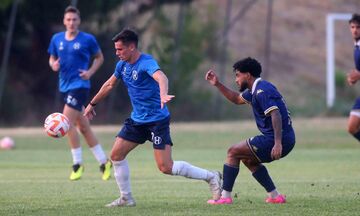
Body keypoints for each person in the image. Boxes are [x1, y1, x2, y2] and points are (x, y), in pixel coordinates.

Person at [83, 29, 221, 207]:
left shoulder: (146, 62)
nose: (117, 53)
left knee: (166, 167)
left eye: (120, 49)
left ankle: (211, 176)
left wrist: (163, 94)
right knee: (116, 155)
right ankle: (126, 198)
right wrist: (92, 104)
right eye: (116, 49)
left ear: (132, 47)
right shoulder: (122, 65)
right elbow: (109, 85)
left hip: (157, 121)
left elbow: (161, 77)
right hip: (137, 120)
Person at [205, 57, 295, 205]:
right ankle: (275, 196)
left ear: (248, 75)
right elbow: (236, 99)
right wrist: (217, 84)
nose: (236, 80)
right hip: (283, 138)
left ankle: (225, 197)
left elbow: (275, 114)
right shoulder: (256, 90)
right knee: (247, 158)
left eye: (238, 75)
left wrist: (277, 143)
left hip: (277, 139)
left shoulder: (261, 91)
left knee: (233, 151)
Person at [48, 6, 112, 181]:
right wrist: (53, 64)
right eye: (68, 19)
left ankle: (77, 164)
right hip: (64, 87)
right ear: (64, 21)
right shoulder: (57, 39)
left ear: (79, 21)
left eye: (74, 19)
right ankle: (104, 162)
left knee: (66, 123)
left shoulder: (87, 39)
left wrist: (90, 72)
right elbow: (52, 58)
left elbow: (99, 57)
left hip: (80, 86)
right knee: (83, 127)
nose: (71, 22)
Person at [347, 14, 360, 142]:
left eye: (358, 27)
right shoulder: (356, 46)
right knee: (352, 127)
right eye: (352, 27)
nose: (355, 30)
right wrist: (354, 77)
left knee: (352, 126)